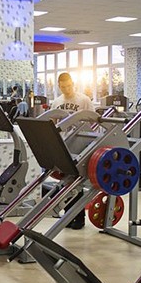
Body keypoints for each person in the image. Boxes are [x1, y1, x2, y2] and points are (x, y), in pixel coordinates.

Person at [51, 72, 93, 229]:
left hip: (80, 145)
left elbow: (93, 120)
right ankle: (68, 216)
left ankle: (79, 218)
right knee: (66, 182)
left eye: (69, 86)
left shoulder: (84, 100)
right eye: (63, 87)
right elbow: (52, 123)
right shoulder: (57, 102)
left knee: (77, 181)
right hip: (64, 145)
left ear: (73, 83)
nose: (66, 89)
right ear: (59, 86)